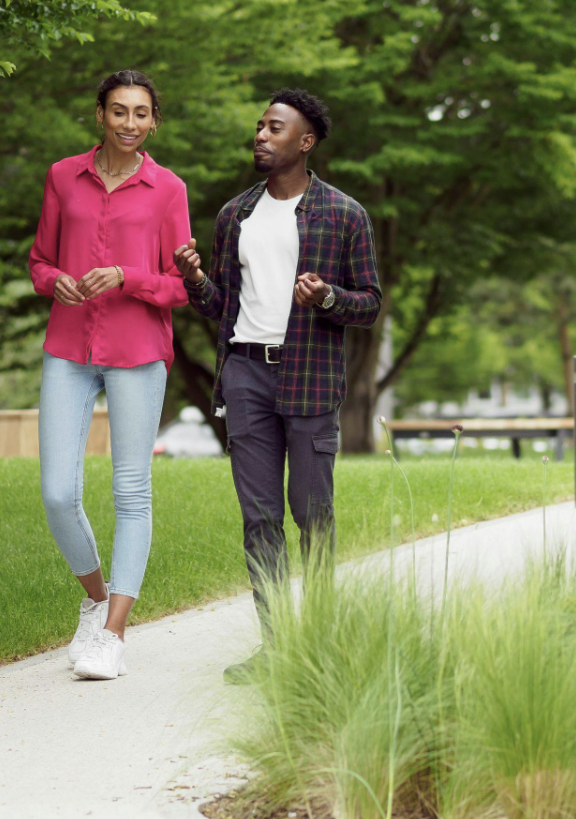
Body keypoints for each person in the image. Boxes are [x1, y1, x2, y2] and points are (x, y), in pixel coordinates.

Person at [173, 89, 381, 684]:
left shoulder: (345, 214)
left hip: (311, 376)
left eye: (276, 128)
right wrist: (193, 280)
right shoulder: (234, 215)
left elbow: (369, 303)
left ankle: (318, 648)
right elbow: (219, 304)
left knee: (313, 515)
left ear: (305, 141)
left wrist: (329, 297)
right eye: (260, 126)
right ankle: (277, 649)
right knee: (259, 517)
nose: (261, 135)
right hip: (245, 374)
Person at [29, 69, 191, 680]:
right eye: (118, 111)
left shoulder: (168, 188)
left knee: (131, 491)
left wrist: (128, 276)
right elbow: (39, 260)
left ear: (154, 121)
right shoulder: (61, 176)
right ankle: (96, 599)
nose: (130, 123)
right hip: (69, 346)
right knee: (57, 492)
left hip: (138, 349)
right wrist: (55, 281)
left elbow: (180, 285)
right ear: (99, 114)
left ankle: (114, 634)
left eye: (141, 113)